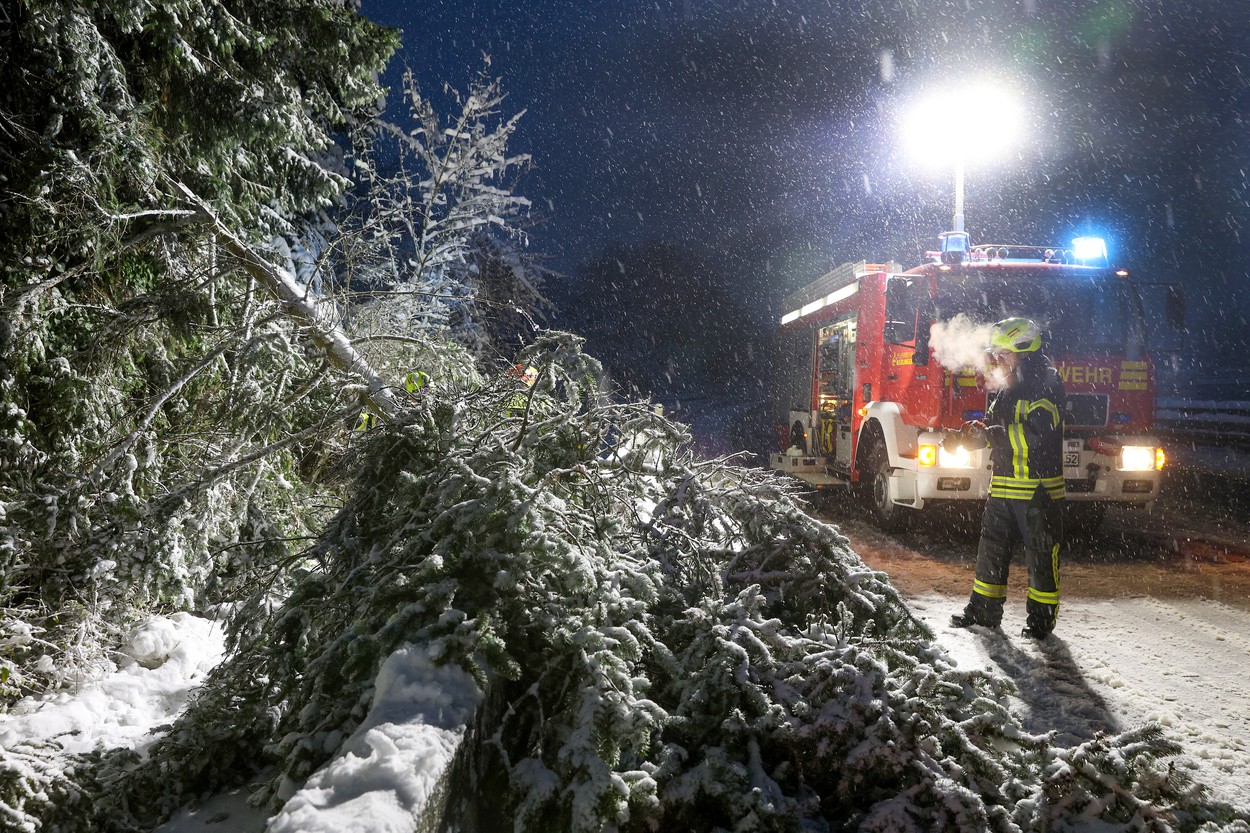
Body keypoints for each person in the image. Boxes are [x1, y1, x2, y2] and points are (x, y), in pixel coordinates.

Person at [949, 317, 1066, 639]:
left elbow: (1036, 434)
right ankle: (983, 613)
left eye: (1004, 353)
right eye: (996, 353)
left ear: (1025, 351)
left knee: (1041, 557)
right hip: (1003, 485)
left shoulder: (1048, 383)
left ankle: (1041, 624)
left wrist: (994, 436)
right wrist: (972, 434)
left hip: (1037, 491)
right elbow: (993, 425)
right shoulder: (1008, 386)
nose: (997, 359)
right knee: (991, 551)